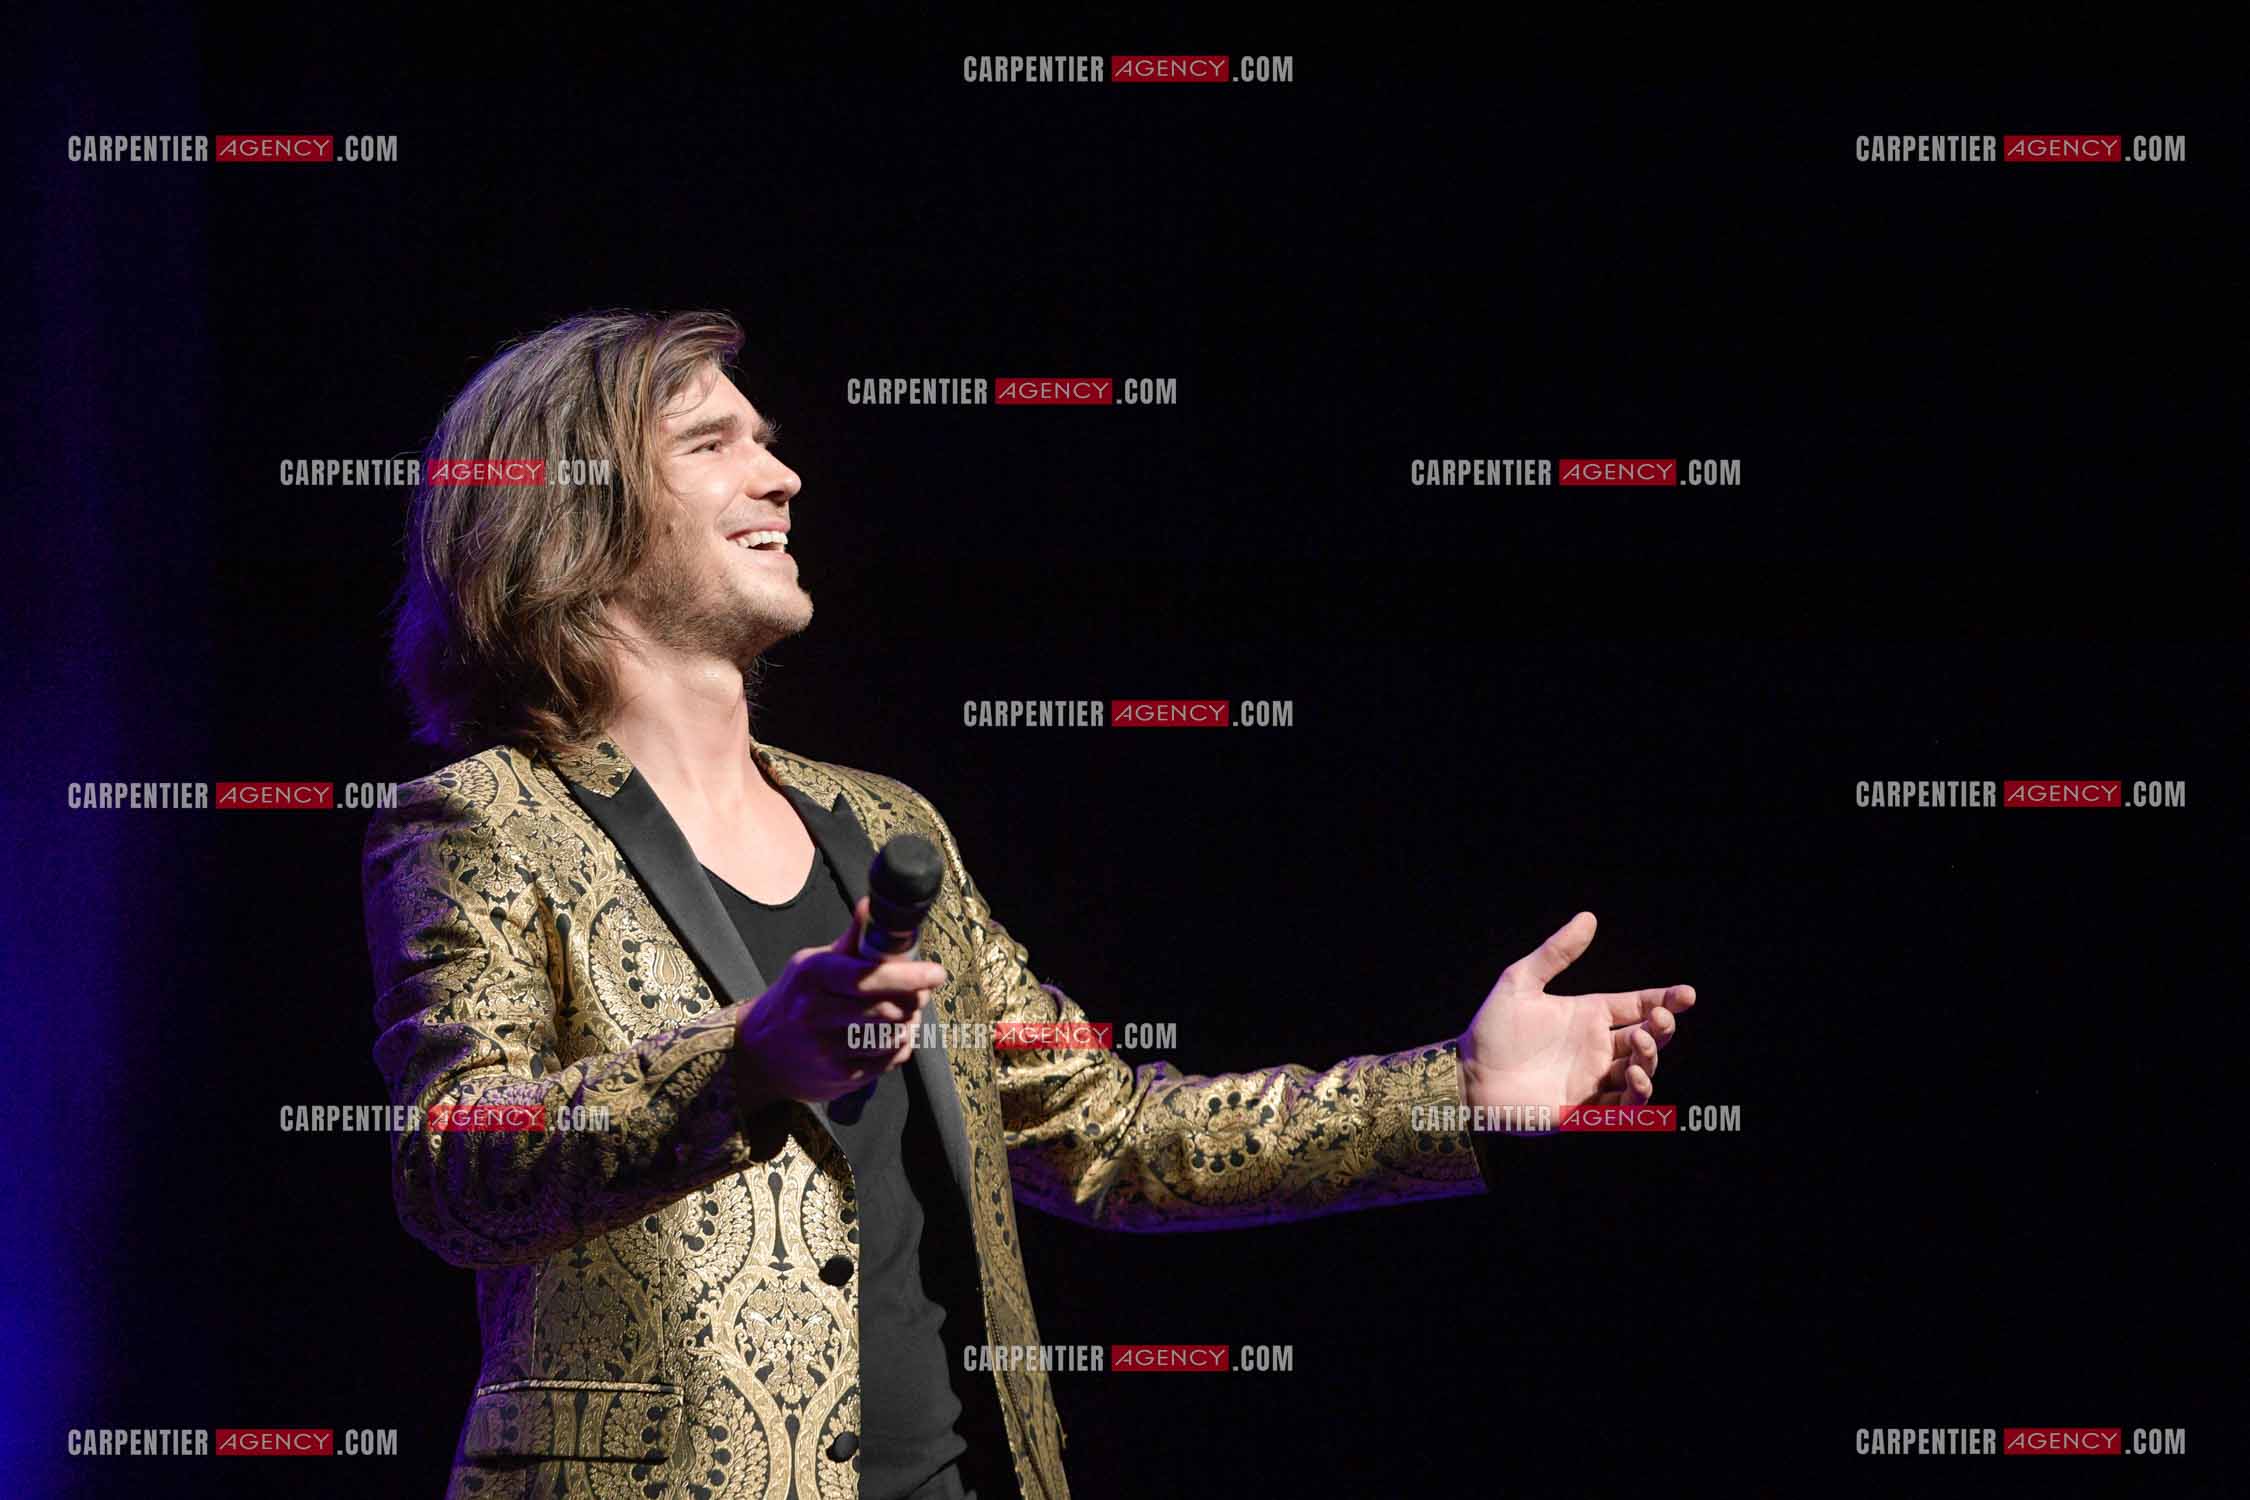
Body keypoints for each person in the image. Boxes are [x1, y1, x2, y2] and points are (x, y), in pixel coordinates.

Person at [363, 309, 1698, 1500]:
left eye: (765, 441)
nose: (781, 474)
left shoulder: (884, 828)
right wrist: (747, 1062)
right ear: (570, 505)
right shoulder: (489, 817)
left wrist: (1455, 1090)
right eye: (712, 442)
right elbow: (454, 1171)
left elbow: (1109, 1138)